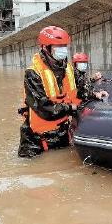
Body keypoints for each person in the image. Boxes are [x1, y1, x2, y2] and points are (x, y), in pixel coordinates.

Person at [18, 26, 81, 158]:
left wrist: (93, 93)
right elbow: (44, 109)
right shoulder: (33, 73)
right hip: (36, 141)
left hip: (62, 134)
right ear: (46, 48)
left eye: (64, 46)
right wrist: (71, 108)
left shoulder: (67, 68)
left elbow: (78, 90)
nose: (63, 50)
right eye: (58, 47)